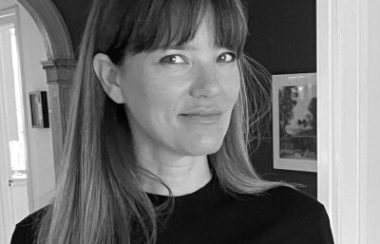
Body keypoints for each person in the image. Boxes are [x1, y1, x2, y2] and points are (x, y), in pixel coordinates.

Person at [10, 0, 334, 243]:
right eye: (175, 58)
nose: (210, 87)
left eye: (224, 57)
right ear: (112, 78)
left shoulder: (295, 223)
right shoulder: (42, 237)